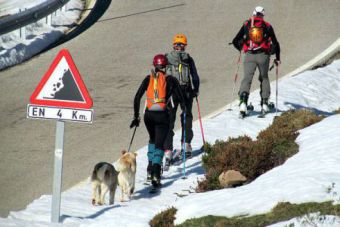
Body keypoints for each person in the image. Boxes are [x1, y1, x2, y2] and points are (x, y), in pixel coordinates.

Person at [130, 54, 185, 188]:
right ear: (165, 66)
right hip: (162, 115)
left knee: (152, 139)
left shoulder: (148, 79)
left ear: (154, 66)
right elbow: (181, 98)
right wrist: (185, 110)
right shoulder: (170, 79)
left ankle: (149, 169)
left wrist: (136, 117)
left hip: (148, 115)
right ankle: (155, 173)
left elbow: (137, 97)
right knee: (160, 144)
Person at [232, 6, 281, 116]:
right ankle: (264, 103)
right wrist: (277, 58)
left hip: (249, 55)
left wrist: (241, 48)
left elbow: (235, 41)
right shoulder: (267, 26)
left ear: (253, 13)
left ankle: (243, 102)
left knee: (247, 78)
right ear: (263, 15)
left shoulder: (246, 24)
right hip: (263, 55)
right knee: (264, 78)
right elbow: (276, 44)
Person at [163, 34, 200, 167]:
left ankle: (168, 150)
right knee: (186, 116)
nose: (179, 46)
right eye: (179, 44)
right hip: (185, 91)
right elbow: (194, 76)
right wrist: (196, 89)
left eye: (180, 44)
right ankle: (186, 144)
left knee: (169, 120)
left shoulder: (166, 58)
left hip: (171, 94)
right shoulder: (188, 58)